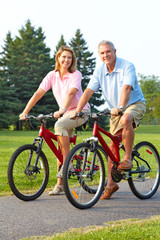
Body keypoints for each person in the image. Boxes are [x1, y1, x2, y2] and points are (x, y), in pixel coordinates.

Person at [71, 40, 146, 200]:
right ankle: (111, 184)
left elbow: (126, 88)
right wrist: (78, 110)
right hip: (115, 111)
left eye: (108, 52)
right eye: (102, 53)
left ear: (114, 51)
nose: (106, 55)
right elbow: (88, 91)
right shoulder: (99, 71)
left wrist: (120, 107)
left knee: (126, 118)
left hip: (134, 104)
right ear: (99, 55)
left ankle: (127, 158)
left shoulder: (127, 66)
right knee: (112, 145)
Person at [19, 46, 90, 196]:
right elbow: (39, 93)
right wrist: (25, 111)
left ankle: (68, 163)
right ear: (58, 58)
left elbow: (72, 92)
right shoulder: (52, 75)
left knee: (59, 125)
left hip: (80, 111)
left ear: (72, 60)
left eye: (69, 58)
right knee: (60, 146)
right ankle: (60, 185)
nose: (66, 60)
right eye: (64, 57)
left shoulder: (75, 74)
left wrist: (63, 108)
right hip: (65, 113)